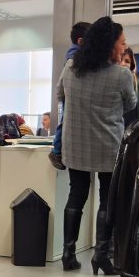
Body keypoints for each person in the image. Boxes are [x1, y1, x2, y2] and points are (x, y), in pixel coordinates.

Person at [57, 16, 136, 274]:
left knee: (76, 196)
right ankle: (101, 256)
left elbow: (60, 95)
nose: (124, 47)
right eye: (122, 42)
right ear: (109, 45)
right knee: (106, 200)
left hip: (75, 142)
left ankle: (68, 253)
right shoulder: (121, 75)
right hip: (107, 145)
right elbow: (131, 105)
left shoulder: (70, 67)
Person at [48, 21, 91, 170]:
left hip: (70, 96)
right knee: (64, 123)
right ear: (81, 41)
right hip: (70, 97)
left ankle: (57, 150)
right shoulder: (75, 56)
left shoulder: (75, 54)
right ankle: (56, 151)